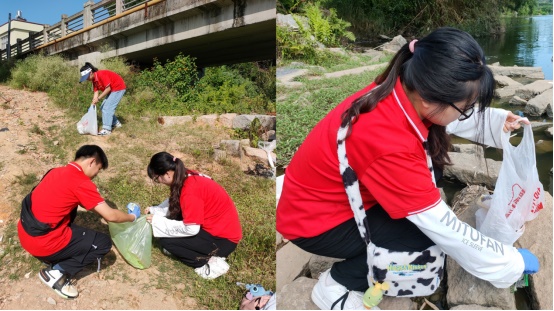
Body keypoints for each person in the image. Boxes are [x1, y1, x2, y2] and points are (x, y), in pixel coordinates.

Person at [276, 27, 540, 310]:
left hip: (326, 197)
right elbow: (444, 229)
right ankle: (339, 284)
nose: (469, 111)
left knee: (434, 161)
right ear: (429, 96)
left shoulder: (400, 86)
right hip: (313, 222)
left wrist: (495, 120)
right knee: (423, 235)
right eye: (467, 106)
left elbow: (444, 116)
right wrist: (508, 262)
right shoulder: (387, 141)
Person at [17, 145, 139, 299]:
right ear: (92, 162)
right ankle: (57, 272)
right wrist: (133, 217)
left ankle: (52, 257)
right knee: (102, 243)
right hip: (44, 243)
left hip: (25, 234)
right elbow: (110, 216)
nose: (96, 174)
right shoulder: (80, 182)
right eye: (98, 169)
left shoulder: (55, 171)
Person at [145, 152, 242, 279]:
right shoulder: (186, 175)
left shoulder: (190, 190)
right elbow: (176, 201)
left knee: (167, 240)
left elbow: (191, 228)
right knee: (172, 221)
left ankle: (206, 262)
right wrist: (156, 210)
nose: (160, 182)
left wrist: (159, 222)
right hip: (221, 229)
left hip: (222, 241)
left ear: (167, 174)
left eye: (157, 179)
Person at [79, 62, 126, 136]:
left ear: (91, 72)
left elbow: (108, 88)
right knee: (103, 107)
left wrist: (98, 99)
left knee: (107, 108)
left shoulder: (101, 74)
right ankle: (116, 123)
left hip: (118, 88)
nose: (87, 79)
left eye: (87, 77)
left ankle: (107, 129)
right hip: (112, 90)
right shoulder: (94, 80)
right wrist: (93, 103)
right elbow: (96, 92)